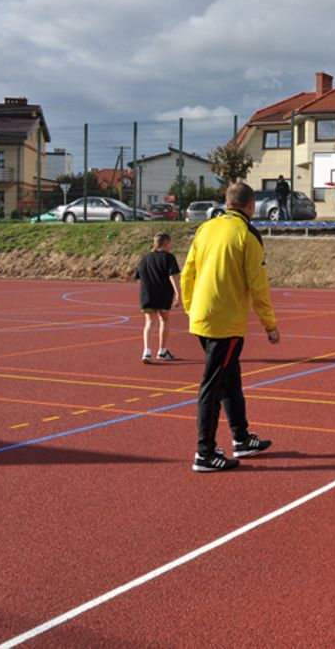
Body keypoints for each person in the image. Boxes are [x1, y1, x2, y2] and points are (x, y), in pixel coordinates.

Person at [182, 182, 280, 473]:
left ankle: (241, 437)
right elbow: (258, 283)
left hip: (203, 317)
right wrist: (269, 324)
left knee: (230, 379)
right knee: (212, 385)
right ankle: (205, 452)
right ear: (251, 206)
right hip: (225, 324)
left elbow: (189, 272)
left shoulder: (206, 228)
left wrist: (192, 309)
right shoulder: (247, 235)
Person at [135, 232, 181, 363]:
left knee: (149, 322)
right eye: (170, 243)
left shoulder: (145, 258)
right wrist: (178, 293)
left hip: (147, 293)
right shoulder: (168, 257)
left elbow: (139, 276)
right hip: (163, 293)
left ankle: (147, 352)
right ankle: (162, 351)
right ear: (166, 243)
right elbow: (173, 275)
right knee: (164, 320)